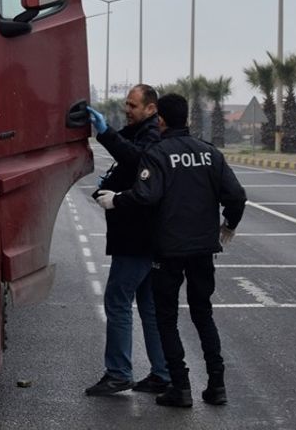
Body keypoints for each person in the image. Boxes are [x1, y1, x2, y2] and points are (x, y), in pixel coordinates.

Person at [96, 93, 247, 408]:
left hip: (169, 251)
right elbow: (235, 195)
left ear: (161, 119)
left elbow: (146, 196)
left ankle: (180, 387)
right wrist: (229, 225)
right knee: (203, 314)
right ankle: (216, 385)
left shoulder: (159, 154)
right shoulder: (209, 153)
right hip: (204, 249)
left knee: (165, 317)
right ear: (187, 119)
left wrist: (115, 200)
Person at [83, 85, 170, 397]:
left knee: (117, 301)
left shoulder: (152, 136)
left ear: (151, 109)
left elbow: (136, 160)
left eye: (133, 105)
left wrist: (105, 132)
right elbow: (123, 147)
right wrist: (95, 128)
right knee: (148, 305)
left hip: (137, 235)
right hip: (140, 235)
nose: (127, 110)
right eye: (126, 104)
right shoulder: (139, 130)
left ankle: (119, 373)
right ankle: (162, 373)